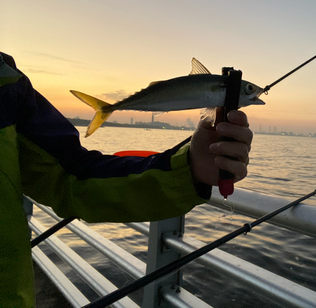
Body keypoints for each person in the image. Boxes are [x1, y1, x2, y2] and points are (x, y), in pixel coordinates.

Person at [0, 51, 253, 307]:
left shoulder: (6, 83)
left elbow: (71, 177)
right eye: (251, 90)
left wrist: (189, 169)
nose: (256, 93)